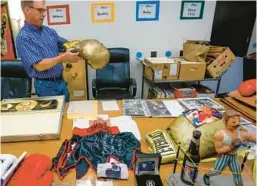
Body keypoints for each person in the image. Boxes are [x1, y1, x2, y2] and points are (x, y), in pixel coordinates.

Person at [16, 0, 81, 102]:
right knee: (53, 116)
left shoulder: (49, 31)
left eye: (44, 11)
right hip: (45, 86)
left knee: (66, 112)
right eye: (40, 10)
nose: (44, 15)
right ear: (27, 10)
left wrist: (86, 46)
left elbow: (67, 45)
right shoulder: (24, 38)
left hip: (61, 81)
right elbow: (40, 66)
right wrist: (63, 57)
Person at [203, 110, 256, 186]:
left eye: (239, 121)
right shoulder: (219, 135)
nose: (237, 124)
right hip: (223, 157)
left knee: (237, 173)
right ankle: (207, 175)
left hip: (234, 156)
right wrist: (231, 147)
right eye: (233, 122)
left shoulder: (242, 134)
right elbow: (219, 151)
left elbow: (252, 137)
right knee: (217, 171)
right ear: (225, 121)